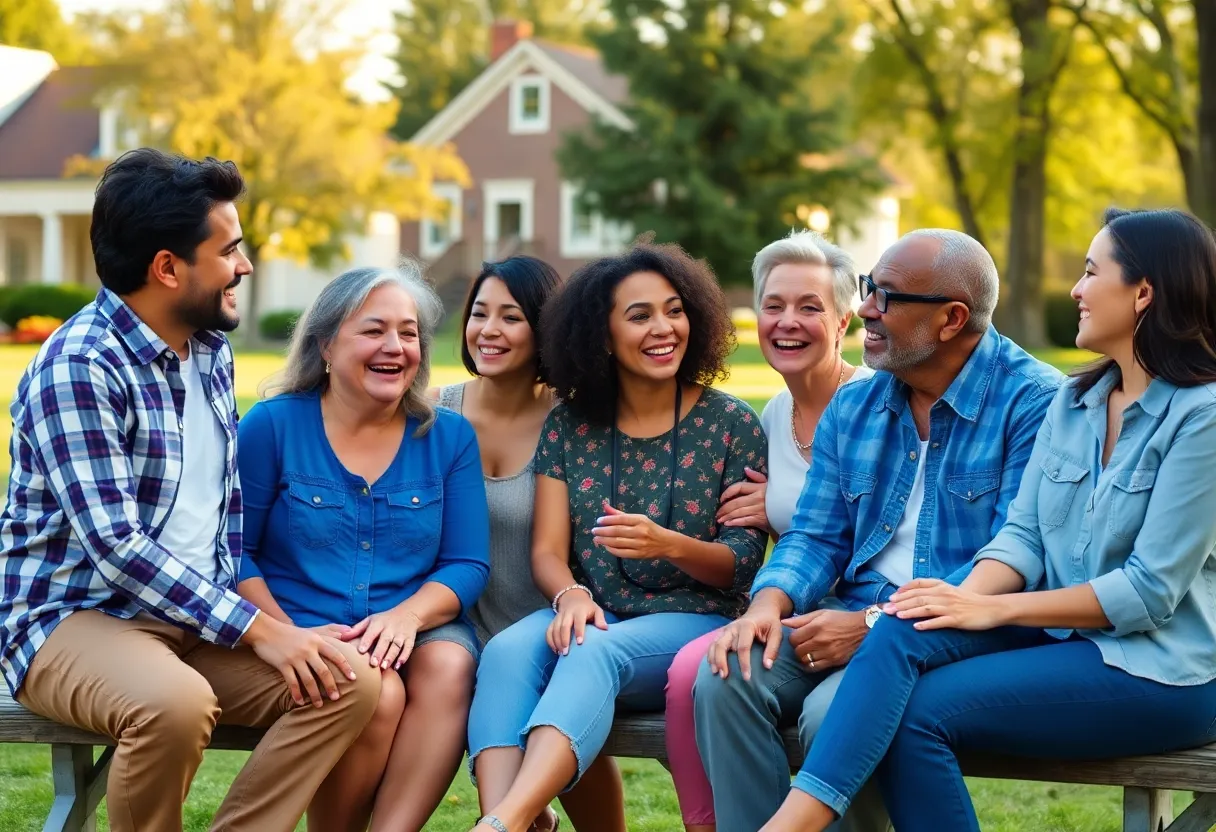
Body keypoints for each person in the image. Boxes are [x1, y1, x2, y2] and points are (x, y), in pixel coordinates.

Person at [760, 208, 1216, 832]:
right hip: (1068, 647)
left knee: (912, 708)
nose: (1077, 290)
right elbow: (1023, 537)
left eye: (1089, 272)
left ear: (1143, 292)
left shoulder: (1201, 418)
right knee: (902, 628)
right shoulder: (1075, 401)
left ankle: (791, 824)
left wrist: (995, 609)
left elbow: (1148, 591)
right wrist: (953, 600)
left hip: (1162, 672)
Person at [0, 148, 380, 832]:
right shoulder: (80, 366)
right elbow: (118, 548)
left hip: (191, 619)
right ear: (168, 268)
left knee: (348, 682)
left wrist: (275, 629)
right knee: (172, 704)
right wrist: (263, 632)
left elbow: (221, 518)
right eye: (229, 249)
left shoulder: (208, 348)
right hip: (75, 617)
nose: (246, 265)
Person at [693, 229, 1064, 832]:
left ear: (951, 319)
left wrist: (873, 626)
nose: (864, 308)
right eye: (870, 289)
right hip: (851, 612)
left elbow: (1015, 556)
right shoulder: (857, 404)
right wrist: (768, 603)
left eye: (886, 297)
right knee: (728, 676)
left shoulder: (1035, 403)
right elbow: (816, 535)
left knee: (827, 714)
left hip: (963, 632)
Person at [466, 241, 769, 832]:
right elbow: (548, 552)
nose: (664, 328)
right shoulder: (571, 424)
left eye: (674, 310)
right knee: (504, 652)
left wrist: (668, 544)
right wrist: (569, 595)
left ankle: (505, 820)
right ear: (600, 336)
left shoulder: (731, 424)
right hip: (598, 612)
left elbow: (741, 567)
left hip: (698, 620)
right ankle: (505, 821)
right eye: (640, 316)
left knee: (591, 649)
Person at [235, 264, 490, 832]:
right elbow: (234, 552)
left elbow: (467, 563)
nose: (394, 347)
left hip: (415, 622)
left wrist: (406, 616)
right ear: (326, 343)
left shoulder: (448, 436)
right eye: (373, 330)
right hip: (299, 627)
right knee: (373, 692)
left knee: (450, 664)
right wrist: (284, 633)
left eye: (408, 333)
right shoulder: (272, 426)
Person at [662, 230, 874, 832]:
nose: (787, 321)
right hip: (798, 617)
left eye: (810, 307)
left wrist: (789, 500)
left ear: (843, 322)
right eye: (774, 305)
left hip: (870, 620)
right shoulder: (771, 418)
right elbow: (784, 540)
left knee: (825, 716)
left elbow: (879, 527)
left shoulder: (875, 405)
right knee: (721, 673)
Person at [433, 255, 628, 831]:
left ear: (546, 328)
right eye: (479, 314)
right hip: (459, 629)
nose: (488, 331)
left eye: (510, 317)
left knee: (561, 706)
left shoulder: (576, 423)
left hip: (555, 622)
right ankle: (520, 818)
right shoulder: (433, 414)